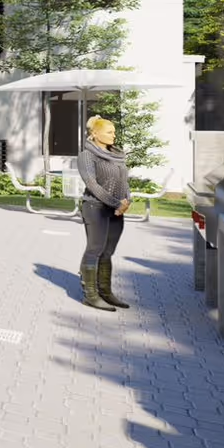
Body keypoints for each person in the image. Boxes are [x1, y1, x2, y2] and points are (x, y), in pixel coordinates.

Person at [76, 115, 132, 312]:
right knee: (95, 249)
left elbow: (124, 181)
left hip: (116, 210)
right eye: (109, 132)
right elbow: (92, 185)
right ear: (95, 134)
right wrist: (118, 203)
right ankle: (91, 295)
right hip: (95, 208)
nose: (114, 135)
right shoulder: (86, 156)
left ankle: (105, 292)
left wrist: (128, 200)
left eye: (114, 131)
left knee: (108, 252)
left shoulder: (117, 155)